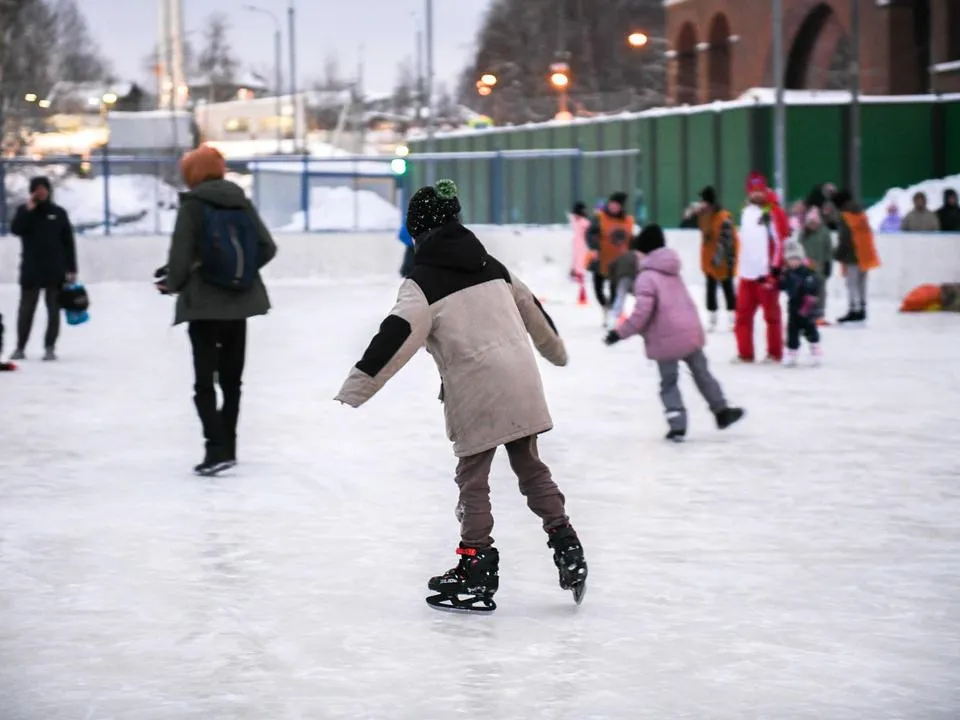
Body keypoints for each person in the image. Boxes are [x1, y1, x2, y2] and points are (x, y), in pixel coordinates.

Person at [335, 179, 586, 612]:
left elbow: (395, 337)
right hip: (522, 383)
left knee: (473, 480)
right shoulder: (492, 265)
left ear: (419, 234)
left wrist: (356, 386)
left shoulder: (422, 284)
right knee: (531, 467)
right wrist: (557, 352)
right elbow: (536, 314)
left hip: (477, 391)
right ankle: (567, 543)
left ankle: (476, 568)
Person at [158, 144, 277, 476]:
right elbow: (267, 247)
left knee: (204, 383)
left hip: (204, 307)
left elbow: (180, 257)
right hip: (240, 304)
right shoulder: (241, 202)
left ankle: (215, 449)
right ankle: (231, 447)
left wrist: (174, 282)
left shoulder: (193, 207)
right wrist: (241, 272)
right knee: (232, 381)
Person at [604, 224, 744, 442]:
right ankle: (721, 410)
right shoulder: (672, 269)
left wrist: (619, 333)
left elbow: (641, 314)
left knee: (669, 382)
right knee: (702, 372)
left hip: (665, 338)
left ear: (643, 251)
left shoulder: (646, 278)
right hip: (689, 331)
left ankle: (677, 424)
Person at [9, 176, 77, 361]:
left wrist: (72, 269)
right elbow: (15, 230)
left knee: (53, 310)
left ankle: (49, 347)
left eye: (44, 188)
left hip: (55, 270)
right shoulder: (24, 211)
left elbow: (68, 243)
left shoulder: (58, 213)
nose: (41, 192)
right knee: (25, 310)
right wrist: (27, 211)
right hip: (31, 270)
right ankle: (20, 347)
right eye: (37, 189)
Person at [734, 172, 789, 363]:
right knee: (742, 316)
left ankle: (774, 353)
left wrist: (775, 269)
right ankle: (745, 353)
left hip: (766, 274)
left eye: (759, 190)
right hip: (746, 274)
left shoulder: (773, 212)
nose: (756, 194)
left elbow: (781, 242)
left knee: (772, 316)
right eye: (753, 191)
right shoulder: (745, 212)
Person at [586, 191, 635, 325]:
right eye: (612, 204)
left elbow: (630, 240)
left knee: (615, 289)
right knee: (598, 288)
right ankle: (604, 306)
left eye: (616, 205)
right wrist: (595, 247)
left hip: (618, 261)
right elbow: (590, 234)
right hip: (600, 259)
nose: (613, 207)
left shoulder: (627, 220)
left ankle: (612, 312)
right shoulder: (599, 217)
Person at [832, 189, 880, 324]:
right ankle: (862, 308)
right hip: (865, 253)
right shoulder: (861, 212)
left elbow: (845, 237)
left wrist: (838, 254)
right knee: (862, 282)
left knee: (851, 283)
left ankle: (854, 309)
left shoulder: (845, 216)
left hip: (852, 254)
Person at [697, 186, 738, 332]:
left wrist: (718, 259)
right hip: (709, 260)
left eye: (703, 201)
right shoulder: (705, 216)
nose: (701, 204)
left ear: (710, 203)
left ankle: (732, 318)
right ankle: (712, 318)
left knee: (728, 288)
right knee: (710, 289)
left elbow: (727, 241)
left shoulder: (723, 217)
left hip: (724, 261)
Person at [779, 241, 822, 367]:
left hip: (806, 308)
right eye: (791, 259)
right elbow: (782, 286)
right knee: (792, 331)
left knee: (810, 329)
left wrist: (810, 300)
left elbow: (815, 286)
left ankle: (815, 348)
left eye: (796, 259)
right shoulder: (787, 273)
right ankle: (792, 351)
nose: (793, 262)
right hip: (793, 307)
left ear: (801, 259)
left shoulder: (807, 272)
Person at [798, 206, 833, 326]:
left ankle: (819, 315)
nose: (812, 225)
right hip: (806, 267)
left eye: (814, 222)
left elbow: (828, 249)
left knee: (820, 291)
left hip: (820, 268)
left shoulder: (824, 232)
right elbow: (798, 249)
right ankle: (804, 314)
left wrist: (828, 264)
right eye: (810, 222)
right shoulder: (803, 233)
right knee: (805, 292)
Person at [569, 201, 590, 280]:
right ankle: (576, 272)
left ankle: (578, 272)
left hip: (582, 244)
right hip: (579, 244)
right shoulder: (581, 222)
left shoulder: (583, 223)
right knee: (578, 258)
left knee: (580, 259)